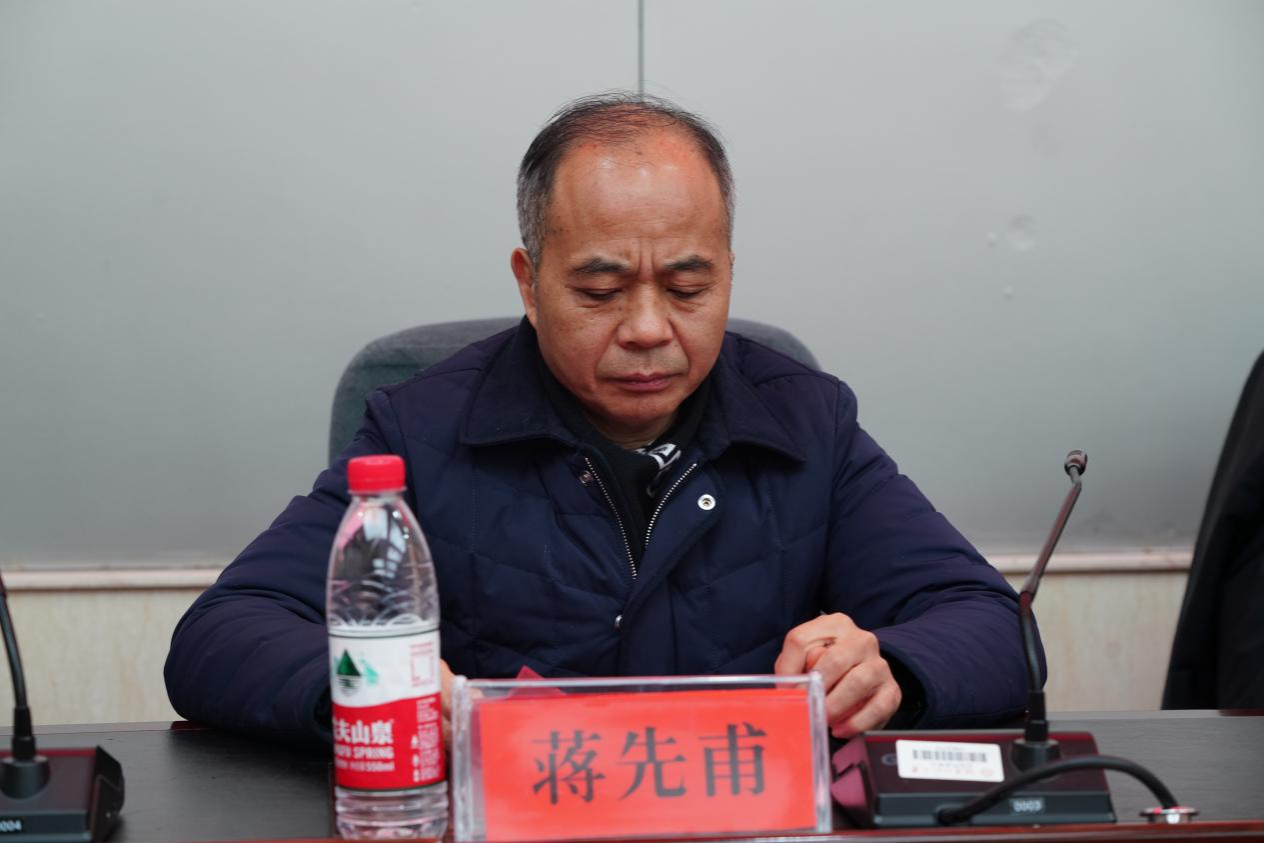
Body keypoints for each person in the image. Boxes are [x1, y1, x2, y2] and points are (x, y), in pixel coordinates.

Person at [165, 93, 1037, 746]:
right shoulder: (421, 431)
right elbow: (222, 634)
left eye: (689, 287)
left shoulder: (807, 421)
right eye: (600, 290)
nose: (649, 327)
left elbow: (993, 625)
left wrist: (888, 670)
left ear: (728, 272)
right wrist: (384, 688)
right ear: (529, 282)